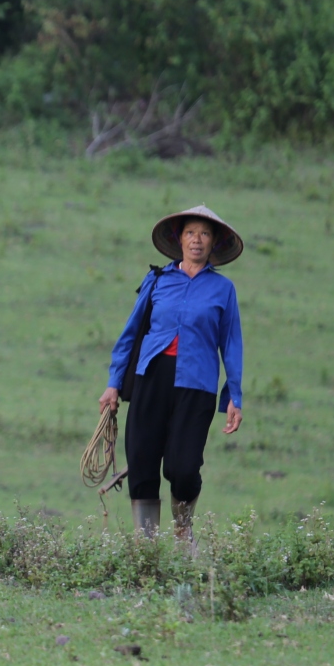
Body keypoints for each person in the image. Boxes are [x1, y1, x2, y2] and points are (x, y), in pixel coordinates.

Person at [98, 205, 244, 552]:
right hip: (152, 378)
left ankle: (182, 531)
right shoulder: (158, 280)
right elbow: (131, 333)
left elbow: (232, 343)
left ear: (214, 243)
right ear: (179, 238)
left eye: (205, 234)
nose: (197, 240)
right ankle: (146, 548)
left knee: (183, 466)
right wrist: (113, 383)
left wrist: (234, 396)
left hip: (197, 385)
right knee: (143, 458)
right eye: (191, 232)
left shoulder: (223, 290)